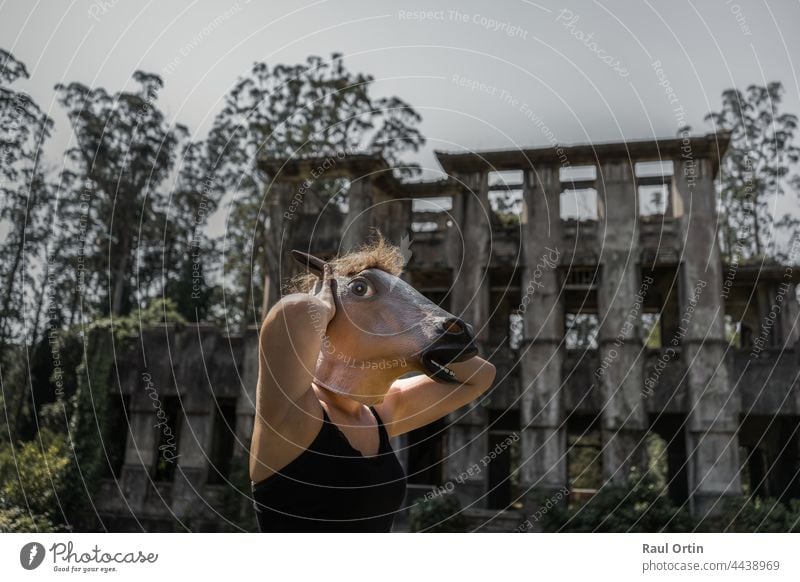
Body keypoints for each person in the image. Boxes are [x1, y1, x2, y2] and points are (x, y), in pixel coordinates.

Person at [249, 238, 496, 532]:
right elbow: (293, 312)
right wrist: (325, 298)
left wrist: (423, 327)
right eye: (360, 291)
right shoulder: (293, 414)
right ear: (325, 311)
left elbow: (480, 376)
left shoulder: (380, 414)